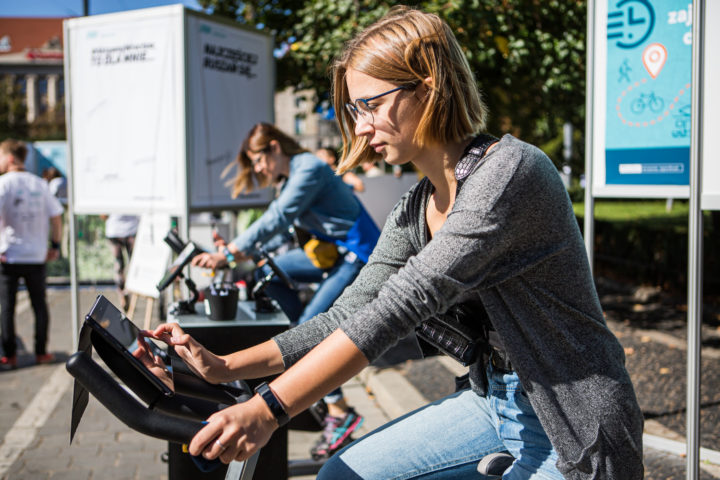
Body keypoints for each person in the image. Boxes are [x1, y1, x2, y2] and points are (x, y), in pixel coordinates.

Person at [145, 7, 644, 479]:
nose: (361, 127)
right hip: (491, 400)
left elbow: (400, 308)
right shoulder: (415, 206)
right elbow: (347, 315)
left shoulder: (512, 174)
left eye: (372, 105)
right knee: (340, 473)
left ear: (428, 86)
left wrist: (268, 409)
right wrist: (225, 366)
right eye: (354, 110)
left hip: (571, 421)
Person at [193, 123, 380, 459]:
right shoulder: (292, 176)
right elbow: (283, 235)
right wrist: (241, 255)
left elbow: (278, 218)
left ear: (274, 148)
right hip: (328, 253)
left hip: (357, 254)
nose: (260, 169)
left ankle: (340, 412)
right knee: (264, 272)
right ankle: (299, 339)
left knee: (310, 331)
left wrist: (231, 251)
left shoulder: (309, 168)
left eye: (259, 161)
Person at [0, 139, 64, 369]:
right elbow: (56, 216)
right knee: (39, 305)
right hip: (37, 255)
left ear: (9, 158)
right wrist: (55, 245)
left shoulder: (3, 184)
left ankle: (9, 355)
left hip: (9, 256)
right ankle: (41, 352)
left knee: (7, 307)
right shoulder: (40, 184)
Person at [102, 214, 139, 312]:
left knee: (119, 266)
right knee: (132, 265)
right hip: (132, 229)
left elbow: (103, 215)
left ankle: (122, 295)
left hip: (114, 230)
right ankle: (129, 292)